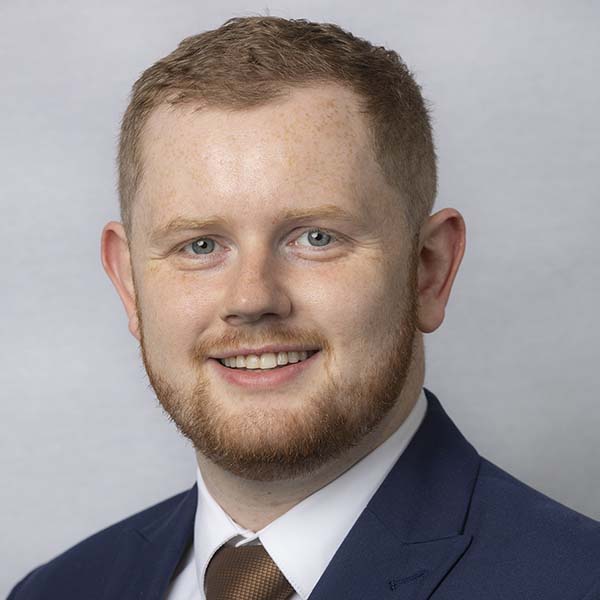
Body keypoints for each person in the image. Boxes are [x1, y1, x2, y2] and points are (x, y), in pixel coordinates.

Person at [9, 15, 600, 600]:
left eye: (316, 238)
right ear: (130, 283)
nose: (252, 299)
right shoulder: (55, 591)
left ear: (429, 269)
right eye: (200, 246)